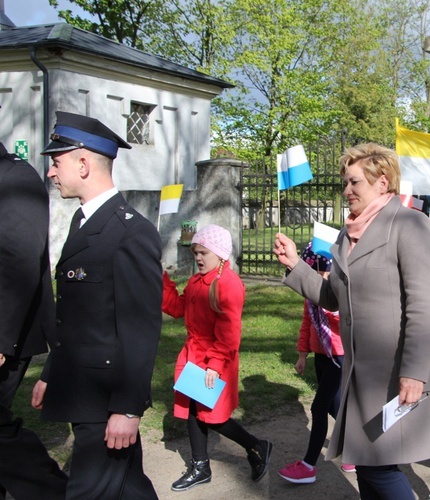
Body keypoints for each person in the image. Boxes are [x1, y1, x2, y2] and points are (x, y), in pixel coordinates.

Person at [273, 143, 430, 499]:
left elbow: (425, 304)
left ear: (382, 183)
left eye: (354, 182)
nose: (346, 191)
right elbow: (334, 298)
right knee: (368, 463)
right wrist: (295, 264)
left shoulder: (410, 224)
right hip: (358, 374)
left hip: (395, 371)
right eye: (345, 182)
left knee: (376, 465)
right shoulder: (346, 234)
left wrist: (413, 372)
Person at [31, 111, 162, 499]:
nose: (52, 173)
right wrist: (52, 370)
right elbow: (76, 316)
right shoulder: (84, 221)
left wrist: (127, 409)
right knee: (130, 489)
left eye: (57, 162)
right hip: (83, 389)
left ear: (84, 163)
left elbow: (140, 328)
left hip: (105, 399)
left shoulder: (130, 232)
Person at [162, 224, 272, 491]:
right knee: (192, 410)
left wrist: (215, 363)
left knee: (213, 416)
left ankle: (256, 445)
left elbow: (229, 330)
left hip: (216, 360)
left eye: (203, 253)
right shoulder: (196, 281)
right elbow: (178, 308)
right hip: (194, 357)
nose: (198, 258)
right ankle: (200, 466)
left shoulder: (227, 284)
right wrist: (162, 282)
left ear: (220, 255)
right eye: (195, 253)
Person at [0, 140, 68, 499]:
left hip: (8, 333)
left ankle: (54, 493)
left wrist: (1, 336)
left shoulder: (15, 177)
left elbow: (19, 260)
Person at [278, 243, 353, 483]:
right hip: (321, 355)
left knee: (318, 408)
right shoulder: (310, 297)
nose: (322, 277)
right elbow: (306, 325)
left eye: (326, 272)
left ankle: (309, 465)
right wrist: (302, 355)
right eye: (316, 272)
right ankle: (354, 450)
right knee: (334, 407)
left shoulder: (341, 295)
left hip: (338, 357)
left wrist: (332, 311)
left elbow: (346, 322)